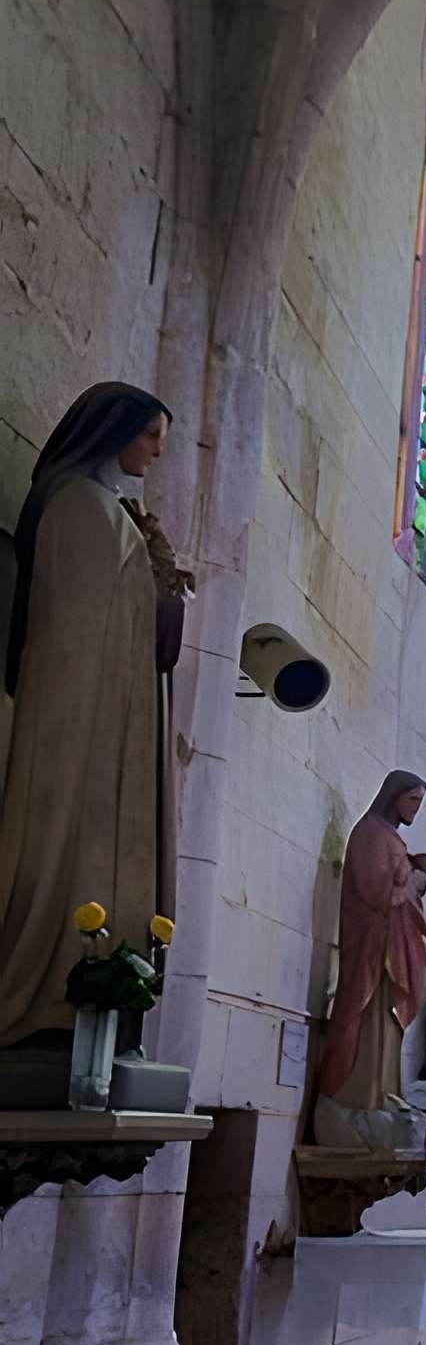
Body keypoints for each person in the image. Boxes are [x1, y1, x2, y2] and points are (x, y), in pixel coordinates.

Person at [0, 384, 186, 1047]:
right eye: (151, 438)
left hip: (112, 717)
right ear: (116, 432)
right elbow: (76, 625)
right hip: (77, 720)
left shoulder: (109, 509)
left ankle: (93, 994)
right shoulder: (79, 505)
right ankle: (47, 989)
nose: (157, 453)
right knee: (60, 849)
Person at [312, 770, 426, 1149]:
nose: (417, 808)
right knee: (366, 1022)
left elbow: (398, 891)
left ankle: (379, 1094)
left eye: (420, 802)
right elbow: (375, 891)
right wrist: (409, 877)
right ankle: (353, 1097)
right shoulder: (370, 834)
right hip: (371, 954)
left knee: (388, 1026)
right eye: (412, 799)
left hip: (388, 953)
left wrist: (411, 877)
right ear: (394, 796)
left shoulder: (389, 837)